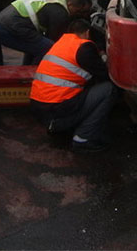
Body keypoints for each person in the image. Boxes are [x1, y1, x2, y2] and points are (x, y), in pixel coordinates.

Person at [30, 18, 116, 153]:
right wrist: (104, 56)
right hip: (55, 113)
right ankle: (84, 137)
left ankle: (61, 127)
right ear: (87, 33)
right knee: (108, 90)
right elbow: (105, 75)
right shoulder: (84, 47)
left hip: (41, 110)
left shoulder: (61, 44)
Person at [0, 0, 92, 65]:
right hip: (7, 28)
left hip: (2, 23)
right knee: (48, 48)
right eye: (78, 11)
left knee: (36, 44)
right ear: (70, 5)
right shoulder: (60, 13)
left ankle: (27, 71)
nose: (78, 14)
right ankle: (34, 77)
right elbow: (55, 41)